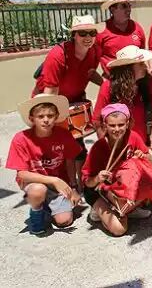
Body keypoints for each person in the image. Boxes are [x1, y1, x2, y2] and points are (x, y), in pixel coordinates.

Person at [33, 14, 103, 191]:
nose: (87, 38)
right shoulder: (58, 55)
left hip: (75, 98)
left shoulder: (95, 51)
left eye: (91, 33)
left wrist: (106, 85)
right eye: (82, 33)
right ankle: (60, 183)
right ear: (73, 35)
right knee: (57, 145)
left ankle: (80, 183)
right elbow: (50, 93)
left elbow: (89, 72)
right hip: (51, 100)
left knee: (77, 146)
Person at [6, 94, 82, 234]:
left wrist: (73, 187)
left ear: (57, 116)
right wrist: (54, 180)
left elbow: (69, 161)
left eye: (50, 115)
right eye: (40, 116)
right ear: (31, 119)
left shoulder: (64, 134)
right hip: (33, 181)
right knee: (38, 190)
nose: (46, 120)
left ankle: (47, 206)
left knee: (64, 221)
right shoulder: (21, 139)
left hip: (58, 183)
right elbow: (22, 173)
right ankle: (36, 215)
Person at [82, 104, 152, 236]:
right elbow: (87, 182)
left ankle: (129, 208)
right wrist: (97, 178)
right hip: (98, 190)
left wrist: (143, 156)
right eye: (112, 125)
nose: (117, 129)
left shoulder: (133, 136)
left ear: (127, 123)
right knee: (119, 230)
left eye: (121, 125)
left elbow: (149, 159)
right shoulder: (98, 147)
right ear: (105, 125)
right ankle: (100, 209)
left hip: (122, 184)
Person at [93, 45, 152, 144]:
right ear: (128, 69)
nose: (146, 66)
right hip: (117, 147)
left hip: (142, 146)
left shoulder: (149, 83)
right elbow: (97, 121)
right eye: (141, 64)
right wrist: (105, 147)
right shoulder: (108, 87)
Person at [95, 0, 146, 76]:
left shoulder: (137, 28)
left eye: (129, 5)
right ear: (112, 9)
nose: (128, 9)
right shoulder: (102, 31)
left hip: (135, 82)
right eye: (124, 6)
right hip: (112, 81)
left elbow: (142, 54)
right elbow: (94, 58)